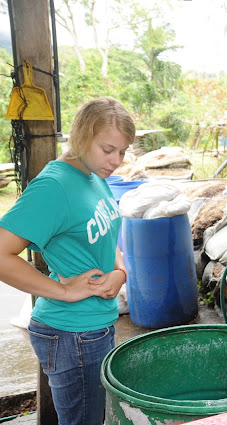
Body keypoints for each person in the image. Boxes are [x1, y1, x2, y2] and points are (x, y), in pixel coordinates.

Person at [0, 96, 135, 424]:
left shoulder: (94, 175)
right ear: (82, 137)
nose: (116, 160)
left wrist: (120, 272)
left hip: (94, 325)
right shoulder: (54, 187)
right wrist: (63, 291)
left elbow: (106, 235)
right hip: (71, 335)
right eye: (108, 149)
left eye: (123, 151)